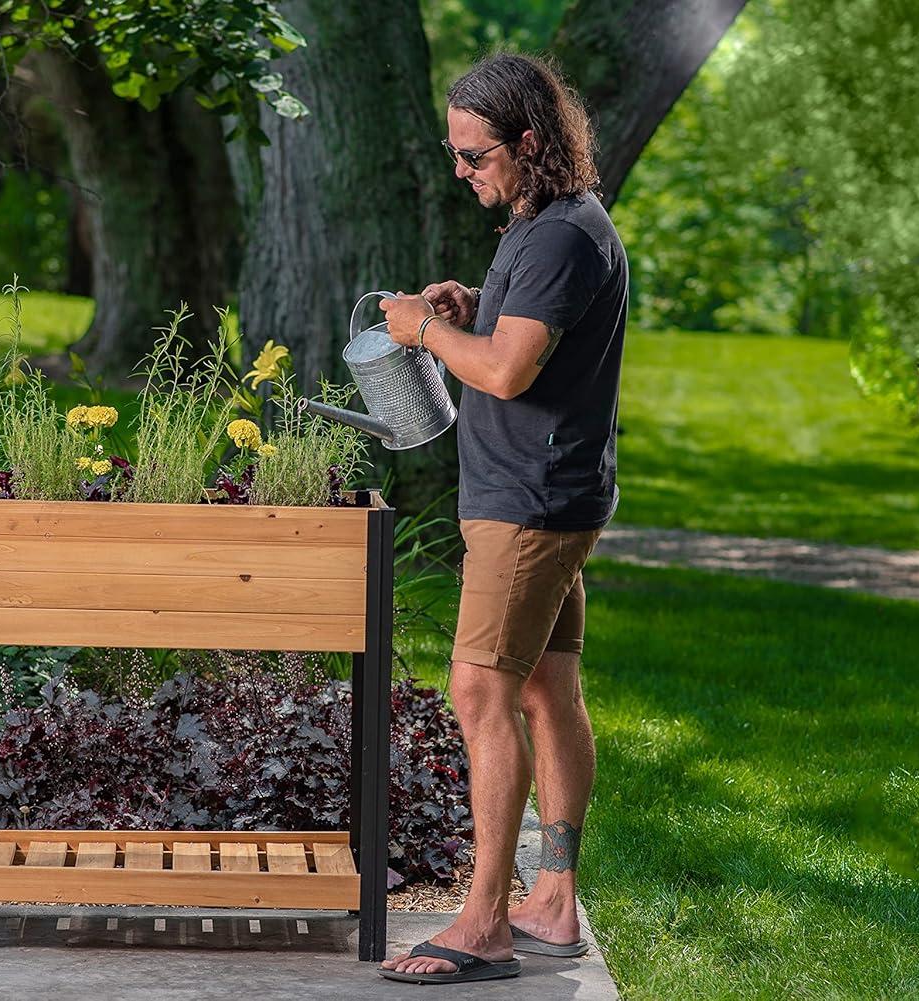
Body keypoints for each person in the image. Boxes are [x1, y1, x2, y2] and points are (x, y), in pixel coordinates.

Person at [374, 52, 629, 986]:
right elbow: (530, 336)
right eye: (454, 155)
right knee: (545, 688)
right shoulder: (547, 223)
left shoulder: (562, 234)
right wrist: (478, 306)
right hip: (547, 493)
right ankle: (553, 901)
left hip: (530, 501)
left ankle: (483, 921)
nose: (463, 172)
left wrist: (425, 330)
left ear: (529, 141)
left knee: (480, 691)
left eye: (476, 156)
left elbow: (508, 372)